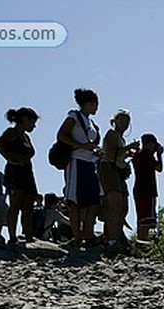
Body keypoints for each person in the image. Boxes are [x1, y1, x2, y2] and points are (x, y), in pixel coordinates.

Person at [56, 88, 101, 245]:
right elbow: (61, 135)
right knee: (74, 201)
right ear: (90, 103)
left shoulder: (91, 123)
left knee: (93, 200)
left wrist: (94, 151)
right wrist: (81, 145)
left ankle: (87, 233)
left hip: (90, 163)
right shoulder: (74, 116)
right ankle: (77, 236)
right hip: (76, 161)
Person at [0, 107, 39, 243]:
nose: (34, 126)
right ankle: (12, 236)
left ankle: (29, 236)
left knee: (29, 205)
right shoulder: (11, 133)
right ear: (25, 120)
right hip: (15, 172)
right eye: (32, 122)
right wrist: (9, 158)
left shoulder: (26, 137)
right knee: (16, 204)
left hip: (27, 171)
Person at [99, 109, 139, 249]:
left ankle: (114, 237)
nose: (124, 124)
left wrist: (128, 153)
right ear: (114, 121)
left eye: (126, 121)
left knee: (122, 206)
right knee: (115, 205)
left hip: (117, 170)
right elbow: (110, 154)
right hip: (109, 168)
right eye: (121, 120)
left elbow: (118, 154)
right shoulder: (112, 134)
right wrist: (129, 148)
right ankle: (111, 239)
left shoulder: (120, 138)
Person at [131, 133, 163, 241]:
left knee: (141, 219)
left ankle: (140, 240)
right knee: (147, 221)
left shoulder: (137, 155)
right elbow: (159, 168)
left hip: (138, 189)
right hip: (148, 190)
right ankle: (143, 242)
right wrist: (159, 155)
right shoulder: (148, 156)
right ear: (150, 144)